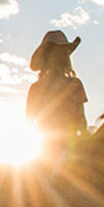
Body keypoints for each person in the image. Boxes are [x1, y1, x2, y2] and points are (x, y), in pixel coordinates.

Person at [26, 30, 88, 160]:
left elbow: (81, 119)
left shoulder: (75, 85)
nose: (60, 57)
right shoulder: (35, 89)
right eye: (55, 53)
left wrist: (84, 137)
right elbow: (29, 121)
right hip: (46, 151)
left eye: (62, 53)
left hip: (73, 148)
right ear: (46, 58)